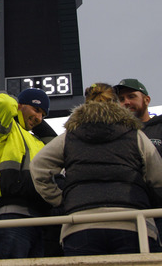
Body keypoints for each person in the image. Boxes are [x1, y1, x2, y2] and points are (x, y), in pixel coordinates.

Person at [31, 83, 162, 255]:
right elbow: (158, 177)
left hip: (80, 225)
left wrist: (60, 199)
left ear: (86, 103)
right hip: (132, 224)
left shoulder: (69, 136)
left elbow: (38, 166)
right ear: (115, 103)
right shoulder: (135, 135)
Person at [0, 88, 55, 259]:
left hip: (39, 218)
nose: (39, 117)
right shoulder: (3, 127)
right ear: (19, 105)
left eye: (43, 114)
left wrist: (35, 117)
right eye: (36, 110)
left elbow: (56, 145)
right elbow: (2, 103)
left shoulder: (35, 140)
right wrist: (21, 106)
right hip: (8, 215)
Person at [114, 78, 162, 156]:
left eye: (131, 96)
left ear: (146, 100)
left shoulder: (159, 128)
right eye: (121, 99)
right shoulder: (115, 133)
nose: (126, 102)